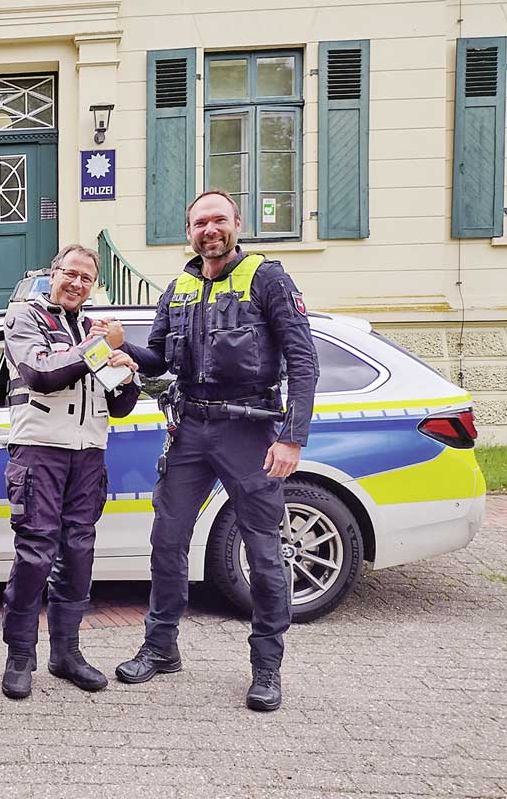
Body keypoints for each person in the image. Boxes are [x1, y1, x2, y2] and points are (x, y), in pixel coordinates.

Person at [108, 190, 318, 712]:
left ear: (237, 224)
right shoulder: (178, 286)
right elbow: (157, 361)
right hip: (191, 430)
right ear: (189, 231)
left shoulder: (267, 278)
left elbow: (304, 362)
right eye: (200, 222)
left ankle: (266, 668)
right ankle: (161, 648)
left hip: (250, 433)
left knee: (264, 553)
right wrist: (121, 345)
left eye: (218, 220)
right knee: (167, 540)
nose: (210, 230)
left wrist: (292, 437)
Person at [0, 244, 140, 699]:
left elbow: (119, 405)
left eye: (86, 278)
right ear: (53, 274)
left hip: (88, 455)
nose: (77, 283)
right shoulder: (26, 317)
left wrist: (128, 371)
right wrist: (101, 346)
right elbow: (41, 373)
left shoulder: (91, 327)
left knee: (79, 553)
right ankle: (20, 656)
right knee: (36, 554)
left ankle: (67, 654)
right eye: (70, 274)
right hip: (40, 452)